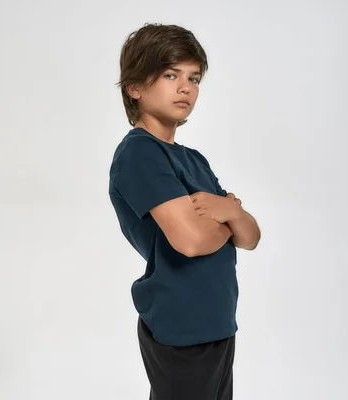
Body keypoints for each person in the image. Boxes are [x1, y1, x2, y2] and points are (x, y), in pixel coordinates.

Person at [108, 23, 261, 400]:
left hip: (218, 320)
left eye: (194, 78)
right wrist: (230, 212)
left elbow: (252, 237)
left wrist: (225, 213)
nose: (185, 87)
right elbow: (192, 241)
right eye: (170, 75)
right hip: (181, 324)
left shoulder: (193, 160)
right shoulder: (140, 153)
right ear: (135, 87)